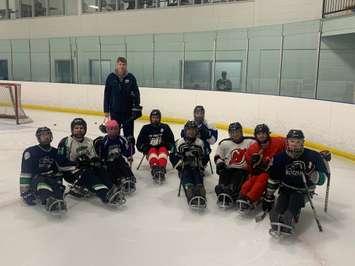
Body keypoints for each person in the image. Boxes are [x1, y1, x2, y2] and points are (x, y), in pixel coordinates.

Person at [263, 130, 331, 237]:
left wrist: (312, 174)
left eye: (298, 142)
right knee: (279, 207)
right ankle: (281, 217)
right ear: (287, 142)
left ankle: (291, 215)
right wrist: (269, 195)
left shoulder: (312, 157)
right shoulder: (280, 157)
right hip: (285, 188)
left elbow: (322, 180)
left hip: (304, 191)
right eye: (292, 141)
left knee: (294, 200)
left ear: (303, 142)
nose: (295, 144)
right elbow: (274, 178)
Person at [58, 118, 125, 206]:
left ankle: (111, 187)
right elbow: (61, 164)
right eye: (76, 128)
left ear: (85, 129)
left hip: (87, 168)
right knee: (87, 174)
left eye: (81, 128)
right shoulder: (65, 142)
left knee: (100, 168)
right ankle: (105, 194)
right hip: (71, 173)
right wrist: (78, 164)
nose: (79, 130)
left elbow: (94, 157)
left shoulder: (89, 141)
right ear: (72, 130)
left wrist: (95, 161)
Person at [19, 127, 75, 215]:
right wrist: (25, 192)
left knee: (58, 188)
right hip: (38, 179)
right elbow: (25, 173)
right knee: (42, 184)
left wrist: (78, 164)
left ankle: (57, 199)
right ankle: (49, 199)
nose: (46, 137)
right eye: (43, 135)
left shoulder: (55, 151)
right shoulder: (30, 152)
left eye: (48, 134)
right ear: (38, 138)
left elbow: (63, 166)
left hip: (52, 178)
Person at [237, 124, 285, 212]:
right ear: (255, 135)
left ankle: (250, 198)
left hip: (273, 172)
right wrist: (252, 165)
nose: (261, 136)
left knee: (262, 179)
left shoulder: (278, 141)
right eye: (259, 134)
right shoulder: (253, 148)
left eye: (263, 133)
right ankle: (242, 195)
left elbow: (291, 143)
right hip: (260, 171)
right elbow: (249, 166)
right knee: (252, 179)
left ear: (268, 134)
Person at [214, 122, 255, 208]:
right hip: (228, 168)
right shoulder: (224, 143)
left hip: (242, 170)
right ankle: (222, 188)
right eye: (232, 132)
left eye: (237, 132)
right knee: (224, 172)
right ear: (229, 133)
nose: (235, 134)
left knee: (238, 175)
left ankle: (231, 191)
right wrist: (220, 163)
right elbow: (217, 156)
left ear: (241, 132)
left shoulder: (251, 142)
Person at [103, 56, 142, 144]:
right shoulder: (111, 77)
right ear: (116, 65)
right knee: (114, 132)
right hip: (115, 112)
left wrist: (136, 107)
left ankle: (130, 152)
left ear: (126, 66)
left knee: (129, 134)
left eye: (123, 64)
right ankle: (116, 149)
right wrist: (106, 110)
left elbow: (136, 93)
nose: (121, 66)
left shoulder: (131, 77)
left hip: (128, 112)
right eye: (120, 64)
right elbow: (107, 94)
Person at [170, 121, 207, 209]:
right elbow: (172, 156)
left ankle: (200, 191)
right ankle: (189, 191)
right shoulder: (179, 142)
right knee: (187, 176)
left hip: (196, 167)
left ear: (197, 131)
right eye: (189, 130)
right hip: (184, 167)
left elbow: (205, 157)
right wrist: (179, 164)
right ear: (185, 131)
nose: (191, 132)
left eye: (193, 130)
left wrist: (200, 160)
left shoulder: (200, 143)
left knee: (198, 177)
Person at [94, 119, 136, 195]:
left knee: (123, 164)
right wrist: (98, 149)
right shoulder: (104, 141)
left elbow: (128, 152)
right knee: (111, 168)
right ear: (107, 130)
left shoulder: (122, 139)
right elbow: (101, 156)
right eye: (111, 129)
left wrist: (131, 145)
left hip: (118, 159)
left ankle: (129, 177)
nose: (113, 131)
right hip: (108, 161)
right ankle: (117, 180)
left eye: (116, 129)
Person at [136, 109, 175, 183]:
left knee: (163, 151)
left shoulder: (165, 127)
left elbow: (172, 142)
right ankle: (155, 168)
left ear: (159, 118)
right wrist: (145, 148)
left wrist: (167, 145)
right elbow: (139, 143)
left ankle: (162, 168)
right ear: (150, 118)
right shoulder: (145, 128)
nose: (155, 119)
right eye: (153, 117)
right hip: (150, 149)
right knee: (152, 152)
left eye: (157, 117)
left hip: (162, 148)